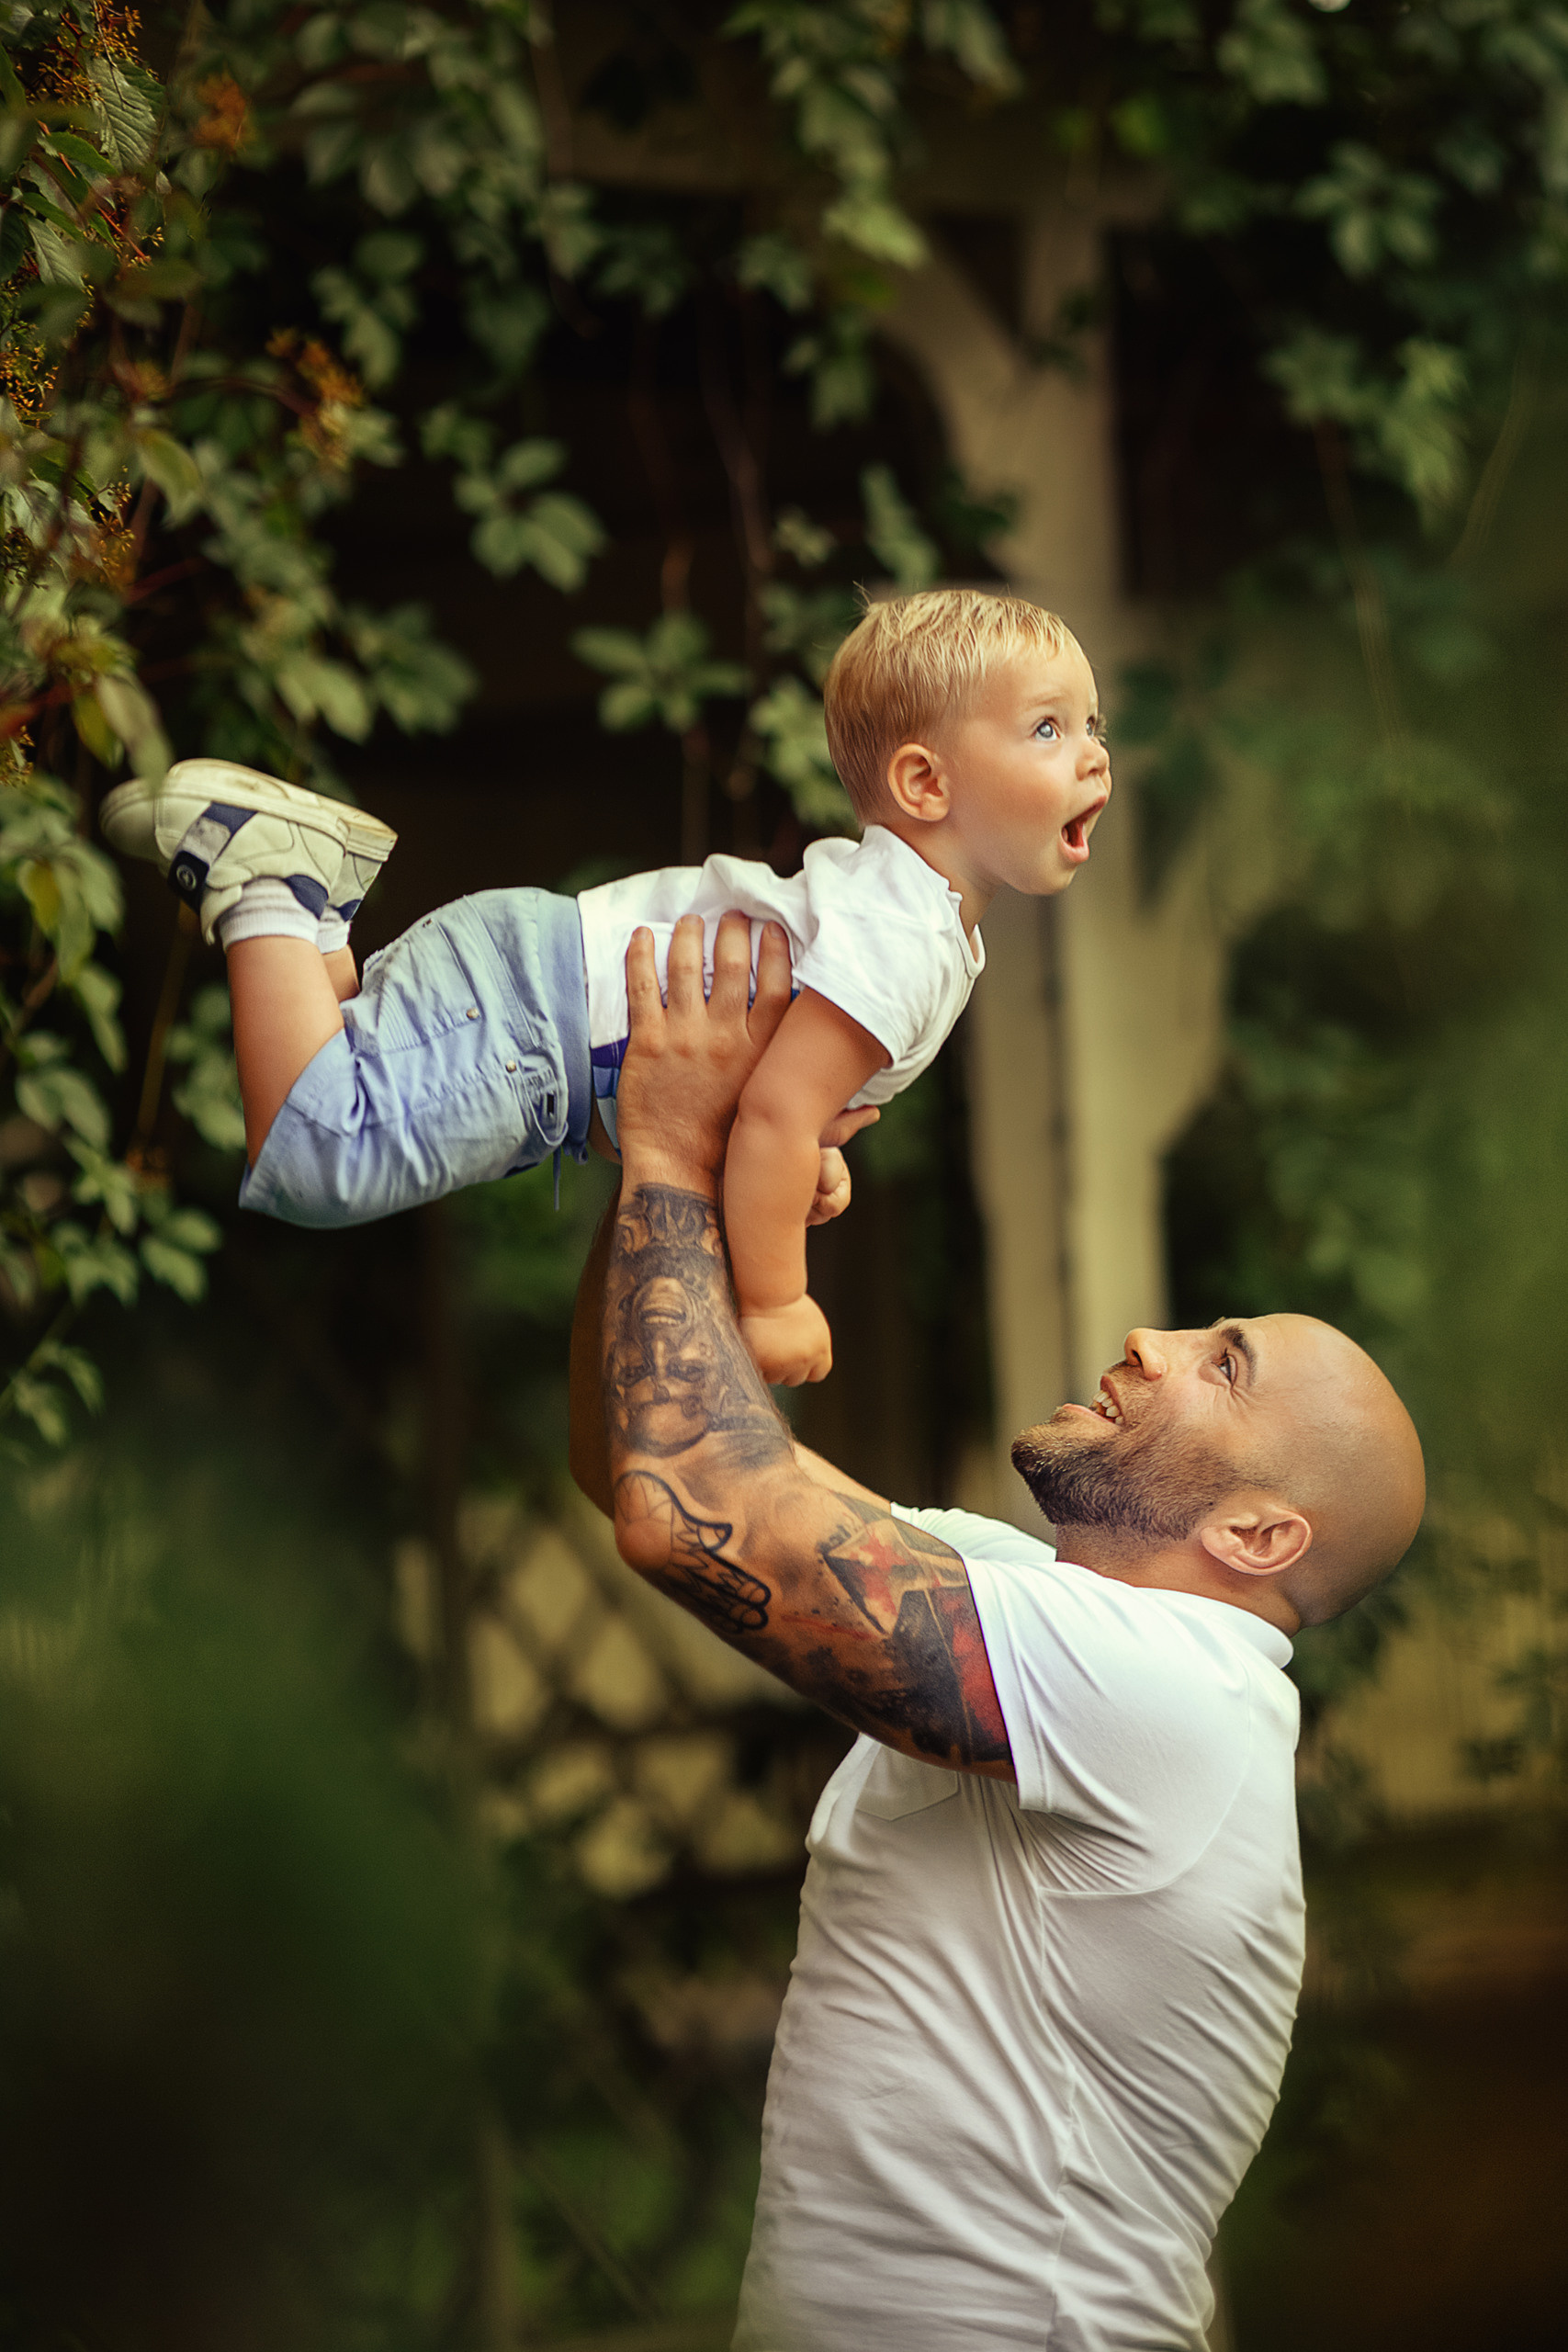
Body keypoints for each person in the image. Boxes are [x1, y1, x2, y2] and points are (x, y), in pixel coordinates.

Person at [570, 910, 1427, 2352]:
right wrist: (693, 1166)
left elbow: (685, 1502)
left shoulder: (1170, 1690)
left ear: (1258, 1537)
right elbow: (638, 1463)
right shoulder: (1045, 1612)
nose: (1147, 1342)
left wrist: (663, 1157)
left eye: (1220, 1365)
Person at [98, 589, 1111, 1385]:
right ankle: (274, 884)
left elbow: (768, 1108)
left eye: (1092, 725)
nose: (1094, 754)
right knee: (320, 1153)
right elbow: (767, 1112)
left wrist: (796, 1155)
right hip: (541, 1019)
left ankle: (314, 923)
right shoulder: (906, 936)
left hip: (533, 992)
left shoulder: (918, 924)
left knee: (338, 1085)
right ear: (926, 784)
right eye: (1049, 730)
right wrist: (776, 1300)